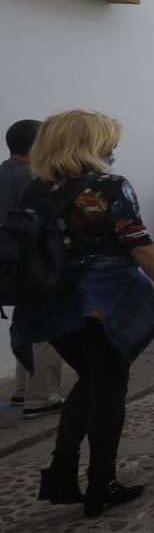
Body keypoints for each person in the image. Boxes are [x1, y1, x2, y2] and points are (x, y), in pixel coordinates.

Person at [14, 111, 154, 517]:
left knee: (87, 381)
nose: (112, 149)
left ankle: (62, 472)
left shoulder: (33, 190)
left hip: (52, 301)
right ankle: (100, 482)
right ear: (92, 144)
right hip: (102, 302)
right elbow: (139, 244)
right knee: (109, 385)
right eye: (108, 141)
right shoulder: (109, 185)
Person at [3, 118, 66, 419]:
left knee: (25, 323)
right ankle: (41, 397)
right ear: (36, 145)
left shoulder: (3, 172)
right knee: (48, 326)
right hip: (34, 264)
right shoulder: (37, 178)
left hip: (8, 266)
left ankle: (20, 390)